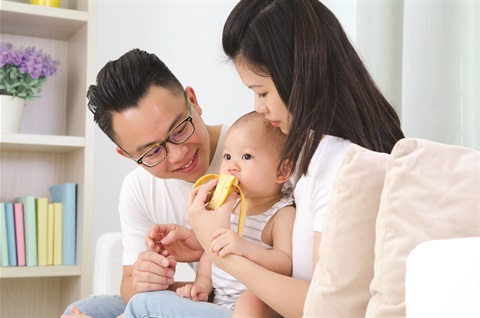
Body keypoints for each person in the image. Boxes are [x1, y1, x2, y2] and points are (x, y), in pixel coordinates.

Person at [123, 0, 405, 317]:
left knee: (143, 307)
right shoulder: (310, 153)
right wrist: (204, 246)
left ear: (298, 77)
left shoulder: (337, 161)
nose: (258, 107)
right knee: (99, 307)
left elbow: (326, 306)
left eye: (262, 92)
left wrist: (217, 246)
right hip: (254, 299)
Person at [62, 48, 231, 317]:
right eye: (151, 152)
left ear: (193, 100)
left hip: (250, 303)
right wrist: (148, 279)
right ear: (128, 155)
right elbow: (130, 287)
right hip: (207, 298)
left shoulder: (251, 151)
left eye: (179, 129)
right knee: (84, 310)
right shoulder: (139, 189)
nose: (178, 154)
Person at [174, 111, 295, 317]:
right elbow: (209, 251)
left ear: (282, 171)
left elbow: (285, 264)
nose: (231, 166)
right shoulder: (226, 205)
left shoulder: (281, 213)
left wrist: (245, 249)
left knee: (250, 301)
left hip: (256, 305)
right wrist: (202, 284)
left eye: (246, 156)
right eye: (227, 156)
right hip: (219, 302)